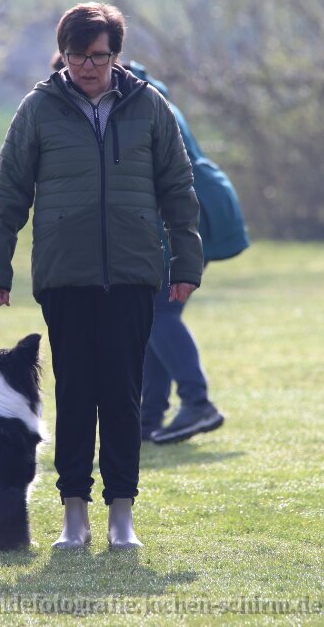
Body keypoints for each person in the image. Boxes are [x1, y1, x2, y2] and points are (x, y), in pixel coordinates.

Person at [0, 3, 203, 549]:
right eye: (77, 55)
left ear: (116, 55)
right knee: (76, 394)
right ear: (64, 54)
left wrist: (186, 263)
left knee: (124, 395)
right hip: (65, 275)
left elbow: (179, 189)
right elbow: (8, 193)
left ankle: (122, 514)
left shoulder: (150, 106)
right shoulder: (38, 108)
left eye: (98, 56)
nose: (87, 66)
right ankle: (73, 515)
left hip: (132, 274)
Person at [125, 62, 250, 444]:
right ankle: (149, 418)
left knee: (158, 311)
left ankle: (197, 403)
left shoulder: (138, 104)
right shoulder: (145, 95)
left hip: (189, 209)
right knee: (155, 313)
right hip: (199, 203)